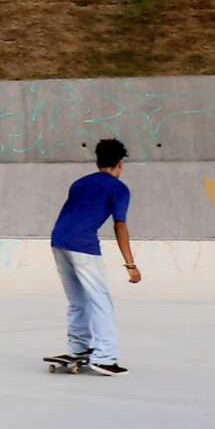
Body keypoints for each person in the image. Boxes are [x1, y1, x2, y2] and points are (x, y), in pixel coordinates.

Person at [48, 138, 141, 376]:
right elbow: (120, 226)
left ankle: (78, 348)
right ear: (120, 164)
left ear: (98, 160)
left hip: (58, 240)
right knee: (101, 301)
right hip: (83, 245)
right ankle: (105, 356)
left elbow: (71, 213)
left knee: (77, 299)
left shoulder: (79, 183)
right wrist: (130, 264)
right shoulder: (118, 189)